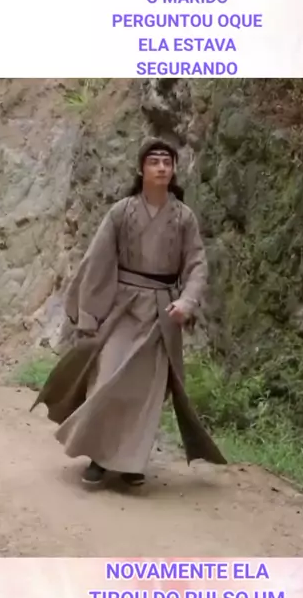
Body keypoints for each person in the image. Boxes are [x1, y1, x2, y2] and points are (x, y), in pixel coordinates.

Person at [31, 137, 227, 487]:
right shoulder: (121, 212)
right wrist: (89, 315)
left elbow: (197, 264)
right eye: (154, 161)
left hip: (161, 314)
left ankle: (131, 461)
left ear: (174, 170)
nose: (162, 167)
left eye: (167, 162)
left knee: (146, 392)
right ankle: (98, 456)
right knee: (106, 378)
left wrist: (187, 301)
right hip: (122, 307)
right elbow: (98, 261)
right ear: (141, 169)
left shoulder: (184, 218)